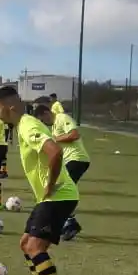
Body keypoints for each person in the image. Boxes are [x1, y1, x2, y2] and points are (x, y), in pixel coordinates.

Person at [0, 85, 80, 275]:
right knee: (25, 244)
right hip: (49, 198)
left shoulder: (28, 124)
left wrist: (50, 184)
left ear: (10, 107)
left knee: (35, 248)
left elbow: (55, 152)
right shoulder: (22, 125)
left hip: (58, 197)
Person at [34, 103, 91, 240]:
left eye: (43, 119)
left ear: (46, 113)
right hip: (69, 161)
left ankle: (68, 225)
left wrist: (53, 139)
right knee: (61, 191)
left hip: (77, 159)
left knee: (60, 191)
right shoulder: (54, 125)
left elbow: (74, 134)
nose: (44, 123)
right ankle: (66, 224)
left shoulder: (61, 118)